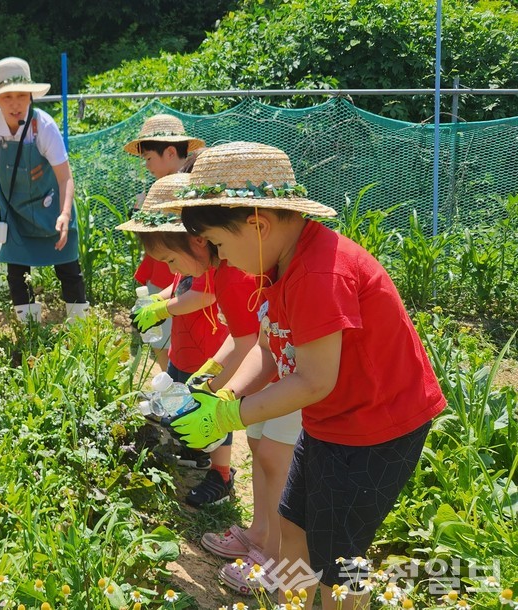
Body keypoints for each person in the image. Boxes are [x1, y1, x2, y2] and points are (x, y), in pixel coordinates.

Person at [163, 142, 445, 608]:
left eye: (218, 244)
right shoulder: (280, 264)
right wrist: (221, 395)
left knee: (341, 562)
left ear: (257, 226)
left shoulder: (318, 274)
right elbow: (270, 348)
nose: (220, 258)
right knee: (294, 526)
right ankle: (292, 602)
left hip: (374, 429)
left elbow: (314, 380)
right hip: (330, 421)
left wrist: (230, 416)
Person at [0, 57, 89, 323]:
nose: (15, 104)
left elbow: (65, 178)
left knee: (68, 268)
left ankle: (79, 327)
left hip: (52, 206)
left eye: (21, 96)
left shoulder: (44, 125)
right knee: (16, 272)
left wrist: (64, 214)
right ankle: (29, 329)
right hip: (14, 209)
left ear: (30, 96)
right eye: (7, 97)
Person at [117, 174, 228, 467]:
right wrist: (157, 298)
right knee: (181, 396)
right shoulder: (188, 262)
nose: (170, 268)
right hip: (182, 346)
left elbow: (202, 296)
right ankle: (192, 450)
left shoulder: (208, 264)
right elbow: (179, 285)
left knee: (207, 405)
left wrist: (161, 310)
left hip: (206, 350)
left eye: (169, 260)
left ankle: (220, 470)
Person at [123, 113, 205, 372]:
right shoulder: (158, 188)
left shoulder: (192, 188)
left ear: (170, 152)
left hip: (184, 273)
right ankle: (169, 377)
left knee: (180, 333)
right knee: (161, 338)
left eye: (148, 158)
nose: (146, 165)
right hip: (167, 273)